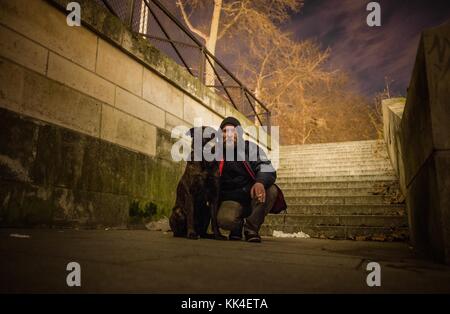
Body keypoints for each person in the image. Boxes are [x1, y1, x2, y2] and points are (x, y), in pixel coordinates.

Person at [217, 116, 278, 243]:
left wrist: (260, 182)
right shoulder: (215, 153)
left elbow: (267, 167)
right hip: (230, 198)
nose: (229, 135)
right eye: (224, 131)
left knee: (271, 190)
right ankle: (237, 225)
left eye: (233, 131)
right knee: (225, 220)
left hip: (252, 196)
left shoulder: (250, 148)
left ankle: (251, 228)